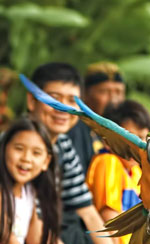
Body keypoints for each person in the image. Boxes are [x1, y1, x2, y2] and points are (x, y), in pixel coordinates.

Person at [26, 62, 113, 244]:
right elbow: (28, 221)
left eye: (72, 101)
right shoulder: (19, 146)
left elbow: (87, 210)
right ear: (32, 101)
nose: (63, 108)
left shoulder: (62, 143)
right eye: (54, 98)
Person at [86, 100, 150, 244]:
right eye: (127, 137)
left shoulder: (136, 171)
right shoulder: (108, 162)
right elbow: (109, 219)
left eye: (141, 137)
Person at [0, 117, 61, 244]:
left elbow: (36, 237)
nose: (26, 158)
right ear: (4, 149)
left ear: (46, 161)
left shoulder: (28, 192)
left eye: (36, 153)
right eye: (19, 148)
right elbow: (8, 239)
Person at [68, 61, 126, 174]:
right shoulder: (76, 128)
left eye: (118, 92)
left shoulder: (124, 129)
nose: (113, 99)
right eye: (104, 92)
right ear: (85, 95)